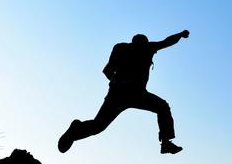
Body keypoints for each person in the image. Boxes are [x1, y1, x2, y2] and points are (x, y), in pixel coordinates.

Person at [58, 30, 189, 154]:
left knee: (98, 125)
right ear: (144, 43)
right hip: (136, 93)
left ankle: (74, 132)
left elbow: (107, 71)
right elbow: (167, 42)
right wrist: (181, 34)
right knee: (162, 107)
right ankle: (166, 142)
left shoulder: (121, 49)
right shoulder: (147, 48)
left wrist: (116, 83)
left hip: (117, 94)